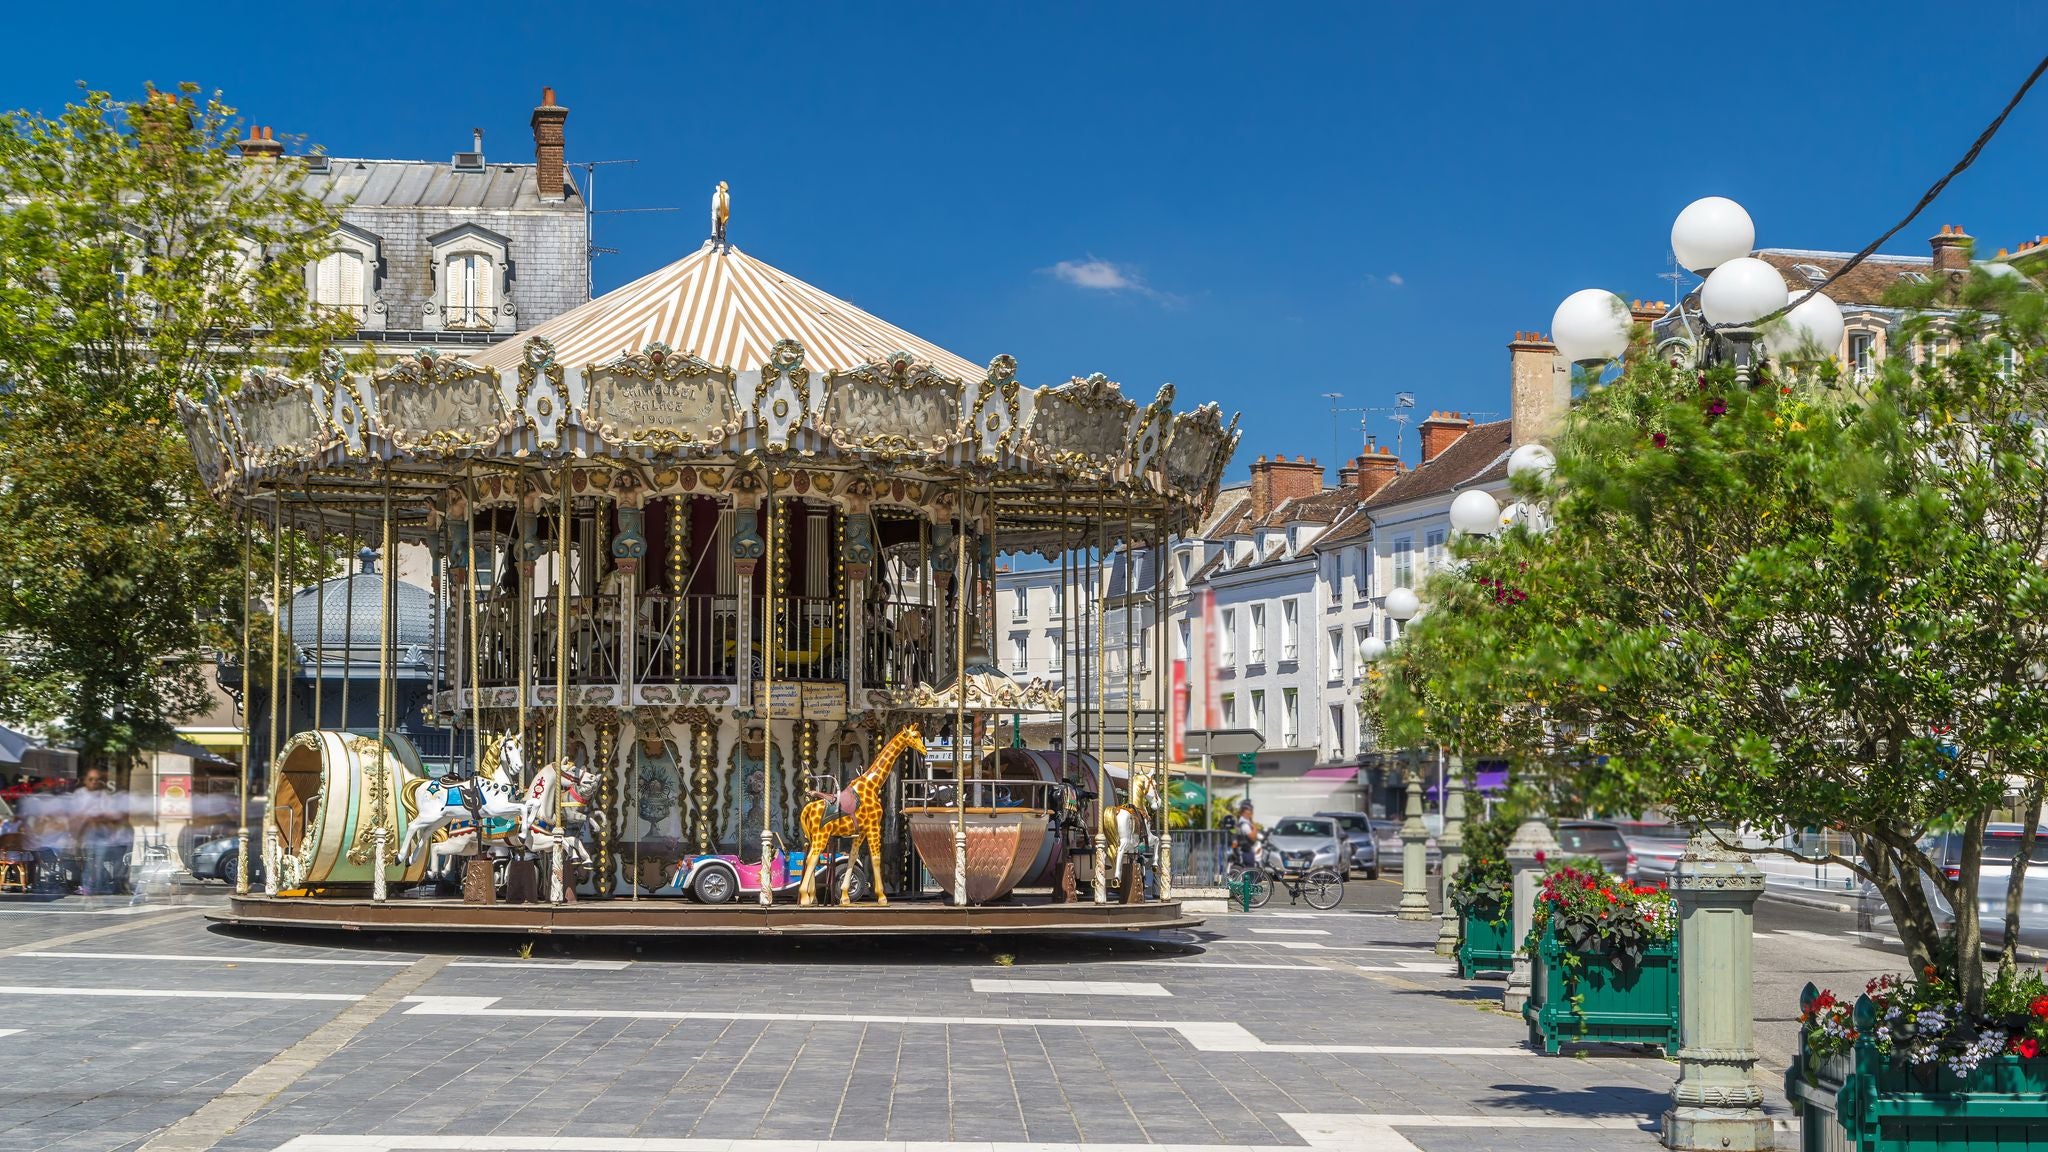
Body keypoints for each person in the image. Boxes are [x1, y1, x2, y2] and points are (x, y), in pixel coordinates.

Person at [74, 768, 131, 895]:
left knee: (99, 862)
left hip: (102, 835)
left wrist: (99, 818)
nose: (94, 782)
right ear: (85, 780)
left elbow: (112, 815)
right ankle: (88, 887)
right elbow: (76, 815)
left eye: (97, 779)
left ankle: (97, 888)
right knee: (88, 862)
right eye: (91, 779)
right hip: (86, 834)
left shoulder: (104, 795)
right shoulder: (79, 795)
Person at [1232, 801, 1258, 869]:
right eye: (1250, 810)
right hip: (1246, 851)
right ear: (1244, 812)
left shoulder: (1242, 822)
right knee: (1250, 871)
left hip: (1243, 851)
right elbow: (1252, 837)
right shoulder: (1245, 825)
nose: (1252, 813)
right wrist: (1255, 828)